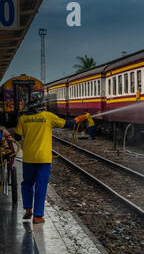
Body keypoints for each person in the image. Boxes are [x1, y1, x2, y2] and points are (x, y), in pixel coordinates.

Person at [13, 92, 88, 224]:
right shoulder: (48, 116)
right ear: (41, 103)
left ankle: (28, 209)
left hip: (29, 158)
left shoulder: (23, 118)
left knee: (27, 183)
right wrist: (79, 119)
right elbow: (67, 124)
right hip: (43, 159)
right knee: (41, 186)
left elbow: (17, 137)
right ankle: (37, 216)